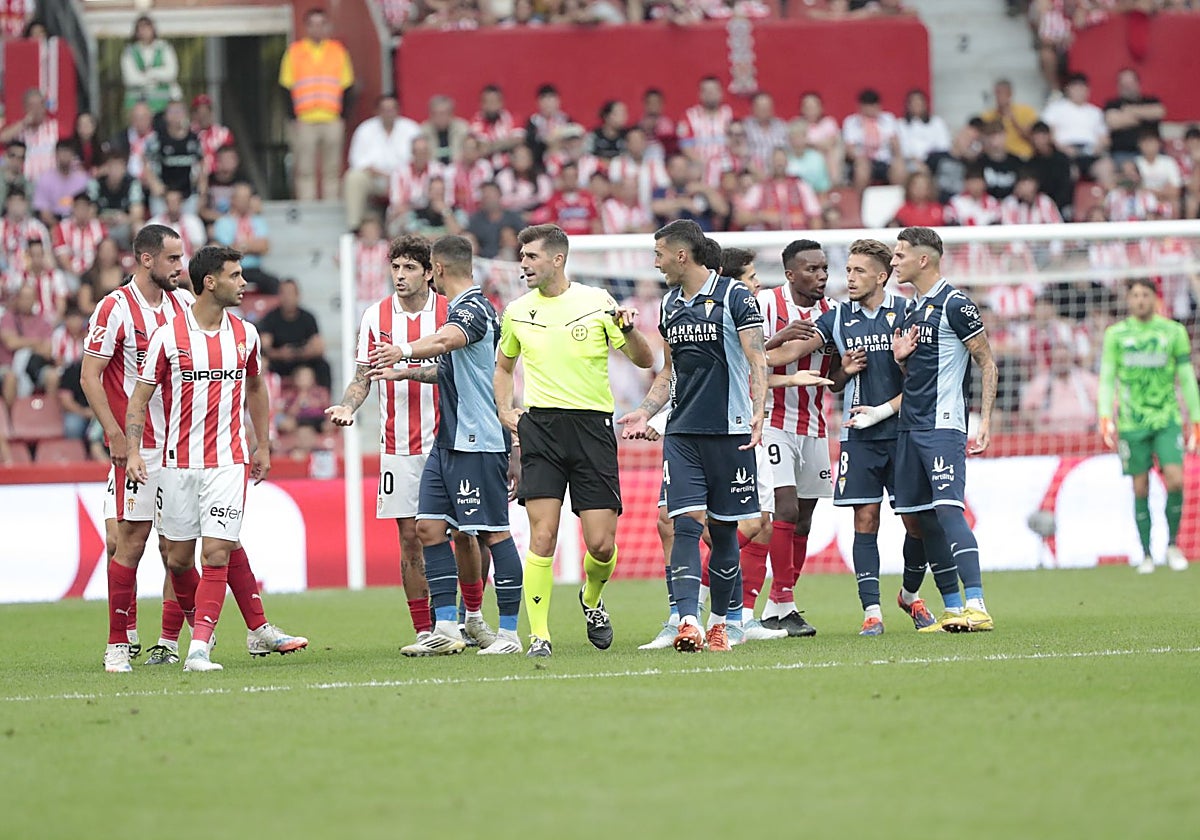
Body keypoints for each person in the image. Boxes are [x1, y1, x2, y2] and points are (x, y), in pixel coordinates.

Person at [83, 228, 304, 672]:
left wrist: (258, 439)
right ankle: (122, 641)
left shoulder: (187, 304)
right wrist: (119, 438)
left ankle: (223, 633)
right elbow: (91, 375)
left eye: (182, 258)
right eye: (171, 259)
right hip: (142, 444)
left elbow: (248, 377)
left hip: (193, 445)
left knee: (208, 543)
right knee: (129, 540)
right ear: (146, 260)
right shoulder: (115, 308)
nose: (179, 267)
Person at [494, 224, 653, 657]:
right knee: (541, 535)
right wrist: (506, 410)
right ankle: (540, 636)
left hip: (592, 430)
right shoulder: (517, 311)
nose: (523, 265)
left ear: (557, 259)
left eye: (531, 257)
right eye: (522, 257)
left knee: (601, 544)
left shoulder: (597, 302)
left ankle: (592, 598)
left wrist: (630, 329)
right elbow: (504, 367)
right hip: (541, 429)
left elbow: (646, 360)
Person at [366, 235, 526, 655]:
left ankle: (508, 634)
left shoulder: (473, 308)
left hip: (478, 439)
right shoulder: (460, 308)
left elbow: (444, 343)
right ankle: (446, 628)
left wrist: (401, 350)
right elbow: (450, 368)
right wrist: (406, 373)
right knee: (428, 528)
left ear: (436, 269)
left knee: (491, 533)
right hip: (449, 439)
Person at [124, 246, 280, 671]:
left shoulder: (246, 334)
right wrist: (134, 450)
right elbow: (139, 398)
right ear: (210, 282)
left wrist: (262, 444)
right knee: (176, 559)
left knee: (216, 552)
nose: (244, 283)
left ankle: (199, 648)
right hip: (177, 463)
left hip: (229, 462)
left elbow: (256, 388)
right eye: (235, 276)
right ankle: (232, 630)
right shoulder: (167, 336)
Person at [773, 239, 940, 634]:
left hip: (903, 433)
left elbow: (920, 382)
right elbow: (804, 359)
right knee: (865, 519)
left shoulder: (907, 312)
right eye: (847, 271)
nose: (848, 278)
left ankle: (910, 595)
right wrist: (758, 355)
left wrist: (886, 399)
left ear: (881, 276)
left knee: (916, 522)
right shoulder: (837, 317)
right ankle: (872, 612)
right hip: (858, 437)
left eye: (858, 271)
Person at [617, 220, 767, 653]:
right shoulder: (667, 306)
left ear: (682, 255)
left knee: (722, 531)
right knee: (684, 524)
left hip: (731, 431)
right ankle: (687, 621)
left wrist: (758, 414)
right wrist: (645, 411)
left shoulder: (735, 297)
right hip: (683, 432)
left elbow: (757, 358)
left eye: (660, 253)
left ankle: (720, 622)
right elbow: (670, 370)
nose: (656, 262)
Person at [325, 234, 449, 648]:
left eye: (410, 268)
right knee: (410, 537)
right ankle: (425, 629)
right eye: (395, 267)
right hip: (398, 445)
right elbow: (362, 377)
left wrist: (409, 367)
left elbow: (458, 373)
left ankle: (467, 616)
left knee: (463, 534)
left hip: (449, 440)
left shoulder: (449, 313)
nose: (400, 275)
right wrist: (347, 407)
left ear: (429, 273)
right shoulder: (375, 316)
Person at [889, 226, 998, 632]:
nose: (894, 261)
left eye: (899, 255)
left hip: (943, 426)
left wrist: (983, 420)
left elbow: (987, 362)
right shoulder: (912, 309)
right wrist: (902, 360)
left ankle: (977, 604)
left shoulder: (957, 304)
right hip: (909, 428)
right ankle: (952, 608)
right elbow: (918, 374)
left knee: (949, 509)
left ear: (923, 260)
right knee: (924, 520)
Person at [756, 239, 842, 636]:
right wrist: (782, 337)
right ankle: (784, 602)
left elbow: (835, 381)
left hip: (815, 425)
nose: (821, 275)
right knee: (784, 509)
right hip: (772, 420)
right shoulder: (766, 305)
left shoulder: (836, 314)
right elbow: (748, 358)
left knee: (804, 520)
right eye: (811, 269)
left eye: (824, 268)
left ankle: (777, 605)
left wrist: (850, 368)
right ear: (790, 274)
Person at [1098, 278, 1200, 574]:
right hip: (1132, 421)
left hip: (1167, 418)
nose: (1140, 300)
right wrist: (1105, 415)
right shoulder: (1116, 335)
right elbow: (1107, 377)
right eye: (1135, 295)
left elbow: (1186, 377)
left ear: (1156, 299)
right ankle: (1145, 553)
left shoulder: (1173, 332)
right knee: (1140, 486)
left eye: (1145, 295)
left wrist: (1196, 417)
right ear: (1128, 300)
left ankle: (1172, 545)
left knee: (1176, 480)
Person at [279, 7, 355, 201]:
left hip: (332, 118)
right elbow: (285, 88)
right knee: (305, 169)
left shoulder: (338, 52)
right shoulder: (294, 52)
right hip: (304, 119)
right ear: (306, 28)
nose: (317, 29)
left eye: (321, 24)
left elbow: (347, 87)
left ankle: (330, 205)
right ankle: (308, 208)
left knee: (332, 168)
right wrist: (292, 118)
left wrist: (342, 117)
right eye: (312, 24)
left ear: (328, 26)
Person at [344, 94, 421, 230]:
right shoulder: (365, 129)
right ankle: (354, 227)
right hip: (376, 179)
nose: (388, 113)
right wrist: (382, 174)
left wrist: (398, 176)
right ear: (377, 112)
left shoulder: (411, 129)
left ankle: (416, 228)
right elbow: (356, 162)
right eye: (384, 109)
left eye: (392, 109)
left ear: (398, 111)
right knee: (353, 177)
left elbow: (419, 159)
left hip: (405, 179)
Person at [256, 278, 332, 388]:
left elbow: (318, 346)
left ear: (298, 295)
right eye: (284, 293)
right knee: (262, 364)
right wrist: (280, 354)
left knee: (324, 366)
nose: (287, 298)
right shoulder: (270, 318)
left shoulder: (308, 318)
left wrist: (302, 353)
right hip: (279, 362)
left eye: (291, 293)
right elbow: (264, 347)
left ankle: (323, 400)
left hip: (303, 359)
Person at [211, 182, 279, 293]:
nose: (244, 202)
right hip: (232, 270)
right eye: (241, 198)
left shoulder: (258, 221)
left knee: (275, 284)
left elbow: (264, 247)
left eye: (247, 198)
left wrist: (241, 245)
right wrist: (251, 244)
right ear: (233, 199)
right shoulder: (223, 222)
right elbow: (229, 250)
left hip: (255, 270)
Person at [120, 15, 181, 115]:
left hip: (164, 104)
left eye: (147, 27)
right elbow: (130, 79)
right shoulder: (129, 51)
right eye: (141, 28)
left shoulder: (164, 48)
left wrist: (149, 73)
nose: (144, 31)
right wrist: (158, 77)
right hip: (137, 104)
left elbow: (171, 73)